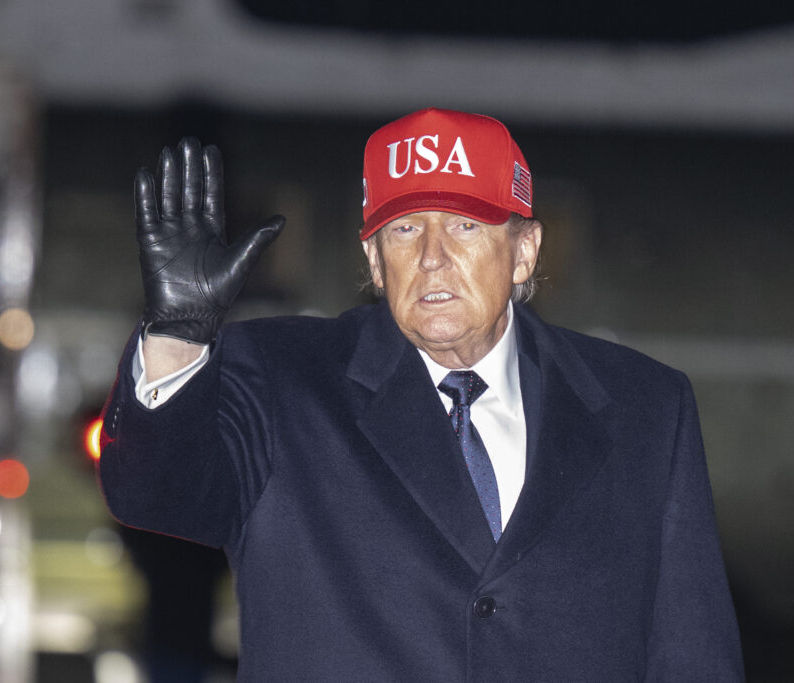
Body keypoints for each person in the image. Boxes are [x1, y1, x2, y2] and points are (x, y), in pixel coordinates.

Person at [98, 108, 744, 680]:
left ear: (524, 251)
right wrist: (178, 334)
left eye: (464, 225)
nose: (433, 256)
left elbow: (692, 648)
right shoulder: (279, 376)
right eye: (404, 230)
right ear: (375, 262)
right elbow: (158, 495)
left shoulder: (644, 406)